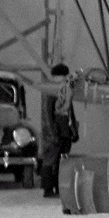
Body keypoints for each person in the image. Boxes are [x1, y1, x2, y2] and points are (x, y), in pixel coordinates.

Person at [39, 64, 79, 198]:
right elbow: (47, 114)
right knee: (51, 160)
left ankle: (58, 187)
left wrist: (73, 130)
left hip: (64, 131)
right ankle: (48, 189)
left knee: (61, 161)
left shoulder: (63, 89)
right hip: (56, 132)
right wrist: (52, 133)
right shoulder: (51, 91)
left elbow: (69, 112)